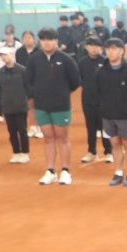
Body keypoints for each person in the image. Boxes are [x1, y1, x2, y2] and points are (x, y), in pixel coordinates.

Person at [26, 28, 81, 186]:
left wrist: (62, 93)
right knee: (48, 138)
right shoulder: (34, 59)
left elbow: (75, 81)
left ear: (56, 41)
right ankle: (50, 171)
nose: (47, 42)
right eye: (43, 40)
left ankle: (65, 171)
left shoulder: (66, 59)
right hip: (41, 105)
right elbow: (29, 80)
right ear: (40, 42)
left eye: (50, 39)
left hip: (61, 105)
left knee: (62, 138)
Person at [96, 38, 127, 188]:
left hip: (125, 114)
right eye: (108, 49)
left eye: (114, 49)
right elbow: (98, 91)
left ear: (122, 51)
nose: (111, 52)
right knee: (114, 142)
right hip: (108, 113)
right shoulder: (101, 71)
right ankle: (118, 172)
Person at [77, 36, 113, 165]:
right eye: (91, 46)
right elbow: (79, 79)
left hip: (103, 100)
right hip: (87, 99)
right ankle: (91, 151)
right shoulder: (81, 62)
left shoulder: (106, 61)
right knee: (90, 126)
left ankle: (109, 151)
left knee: (105, 127)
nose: (94, 49)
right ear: (86, 47)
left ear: (101, 48)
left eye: (97, 46)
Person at [0, 46, 31, 164]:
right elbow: (1, 89)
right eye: (1, 56)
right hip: (7, 107)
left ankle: (25, 153)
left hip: (20, 106)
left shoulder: (23, 70)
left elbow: (28, 88)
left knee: (22, 130)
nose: (4, 57)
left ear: (11, 54)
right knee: (12, 132)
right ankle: (16, 152)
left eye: (5, 55)